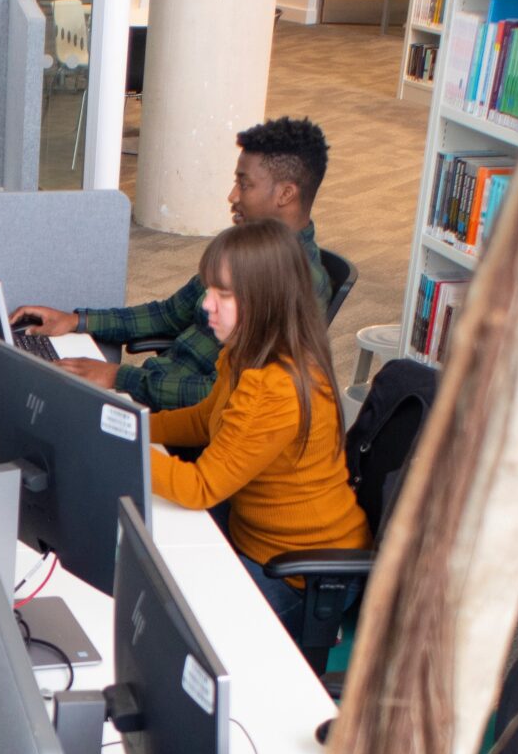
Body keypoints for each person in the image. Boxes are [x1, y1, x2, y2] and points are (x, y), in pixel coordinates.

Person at [143, 219, 368, 650]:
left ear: (265, 301)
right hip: (256, 536)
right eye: (210, 289)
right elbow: (203, 422)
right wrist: (131, 422)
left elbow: (202, 487)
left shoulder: (276, 387)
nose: (207, 304)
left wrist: (121, 443)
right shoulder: (246, 352)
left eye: (224, 294)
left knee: (174, 626)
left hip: (303, 576)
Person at [12, 115, 333, 407]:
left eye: (244, 184)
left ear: (286, 194)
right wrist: (77, 321)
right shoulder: (244, 253)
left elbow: (231, 399)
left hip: (170, 408)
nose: (232, 196)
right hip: (153, 390)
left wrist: (118, 378)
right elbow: (169, 313)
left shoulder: (297, 281)